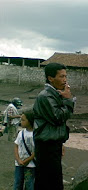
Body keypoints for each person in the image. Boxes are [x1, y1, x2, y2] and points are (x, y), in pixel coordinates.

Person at [33, 62, 75, 190]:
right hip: (47, 146)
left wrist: (60, 143)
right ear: (51, 78)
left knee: (51, 180)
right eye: (61, 76)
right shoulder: (45, 96)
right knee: (49, 182)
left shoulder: (55, 94)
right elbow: (58, 117)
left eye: (65, 76)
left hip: (53, 144)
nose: (65, 80)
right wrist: (68, 100)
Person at [14, 110, 35, 190]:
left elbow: (36, 151)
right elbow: (16, 146)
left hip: (30, 165)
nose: (21, 122)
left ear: (30, 121)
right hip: (19, 164)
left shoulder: (35, 135)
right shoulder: (21, 133)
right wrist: (18, 159)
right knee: (17, 184)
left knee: (29, 185)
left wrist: (28, 160)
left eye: (23, 120)